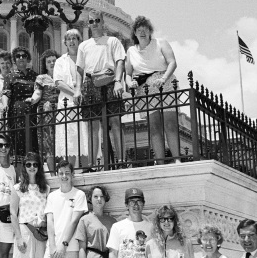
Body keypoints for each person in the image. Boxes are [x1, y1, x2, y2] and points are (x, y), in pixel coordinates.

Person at [125, 16, 180, 165]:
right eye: (139, 30)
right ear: (134, 33)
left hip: (165, 83)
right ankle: (160, 161)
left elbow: (172, 62)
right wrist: (131, 84)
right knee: (154, 127)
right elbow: (128, 75)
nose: (142, 32)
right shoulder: (131, 51)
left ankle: (177, 159)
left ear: (150, 31)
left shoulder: (161, 43)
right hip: (145, 89)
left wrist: (164, 78)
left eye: (145, 29)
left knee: (170, 124)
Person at [73, 10, 125, 167]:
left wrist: (118, 81)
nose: (94, 23)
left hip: (109, 80)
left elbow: (120, 62)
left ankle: (121, 160)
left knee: (115, 121)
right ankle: (92, 163)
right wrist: (77, 89)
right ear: (88, 24)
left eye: (97, 20)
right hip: (90, 83)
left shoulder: (113, 41)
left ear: (103, 23)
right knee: (92, 125)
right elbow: (80, 70)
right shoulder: (84, 45)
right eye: (91, 21)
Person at [10, 151, 49, 258]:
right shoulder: (18, 188)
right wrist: (18, 237)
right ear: (24, 167)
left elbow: (49, 212)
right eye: (28, 164)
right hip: (24, 231)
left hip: (40, 233)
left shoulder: (45, 189)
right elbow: (12, 212)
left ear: (39, 167)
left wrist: (44, 221)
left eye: (35, 164)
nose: (32, 167)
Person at [54, 28, 88, 167]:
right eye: (69, 39)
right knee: (70, 137)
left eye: (74, 38)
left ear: (79, 41)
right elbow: (58, 82)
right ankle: (70, 168)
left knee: (85, 135)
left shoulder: (85, 58)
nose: (72, 41)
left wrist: (81, 92)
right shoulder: (60, 61)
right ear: (65, 43)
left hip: (84, 100)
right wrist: (75, 93)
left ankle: (88, 167)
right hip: (67, 102)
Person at [3, 47, 38, 159]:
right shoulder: (10, 76)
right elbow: (5, 93)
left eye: (24, 56)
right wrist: (5, 105)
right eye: (18, 56)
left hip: (32, 113)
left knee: (32, 140)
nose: (21, 58)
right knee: (18, 140)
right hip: (16, 113)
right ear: (14, 60)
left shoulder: (35, 75)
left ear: (27, 59)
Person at [30, 49, 60, 175]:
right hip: (47, 112)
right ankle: (53, 173)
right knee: (49, 143)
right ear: (45, 64)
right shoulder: (41, 78)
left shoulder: (63, 76)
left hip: (61, 110)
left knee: (62, 141)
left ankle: (63, 170)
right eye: (49, 62)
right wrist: (31, 100)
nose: (52, 63)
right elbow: (37, 93)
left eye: (54, 61)